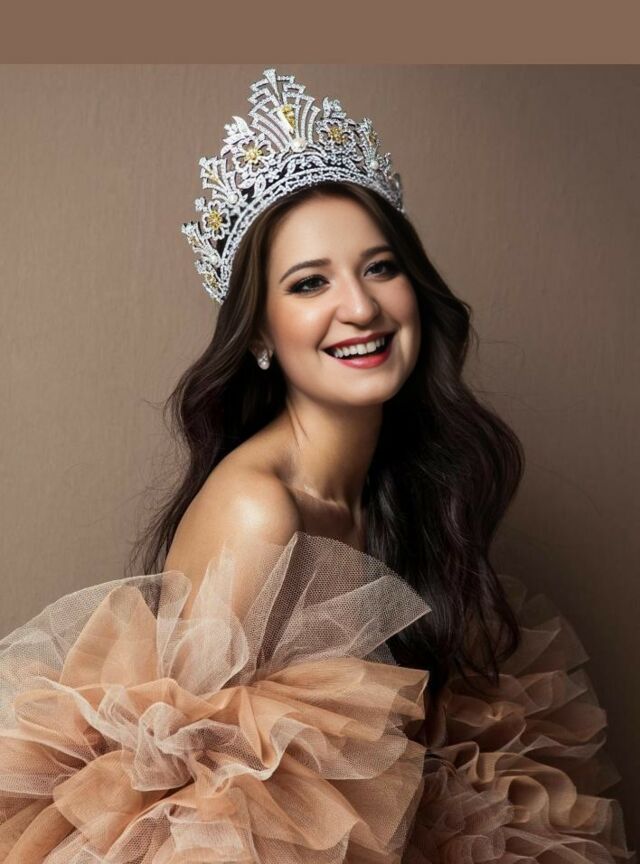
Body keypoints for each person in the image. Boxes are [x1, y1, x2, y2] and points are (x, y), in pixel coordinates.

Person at [0, 68, 633, 863]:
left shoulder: (399, 485)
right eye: (309, 283)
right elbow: (199, 819)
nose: (360, 308)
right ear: (260, 335)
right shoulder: (258, 511)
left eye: (380, 267)